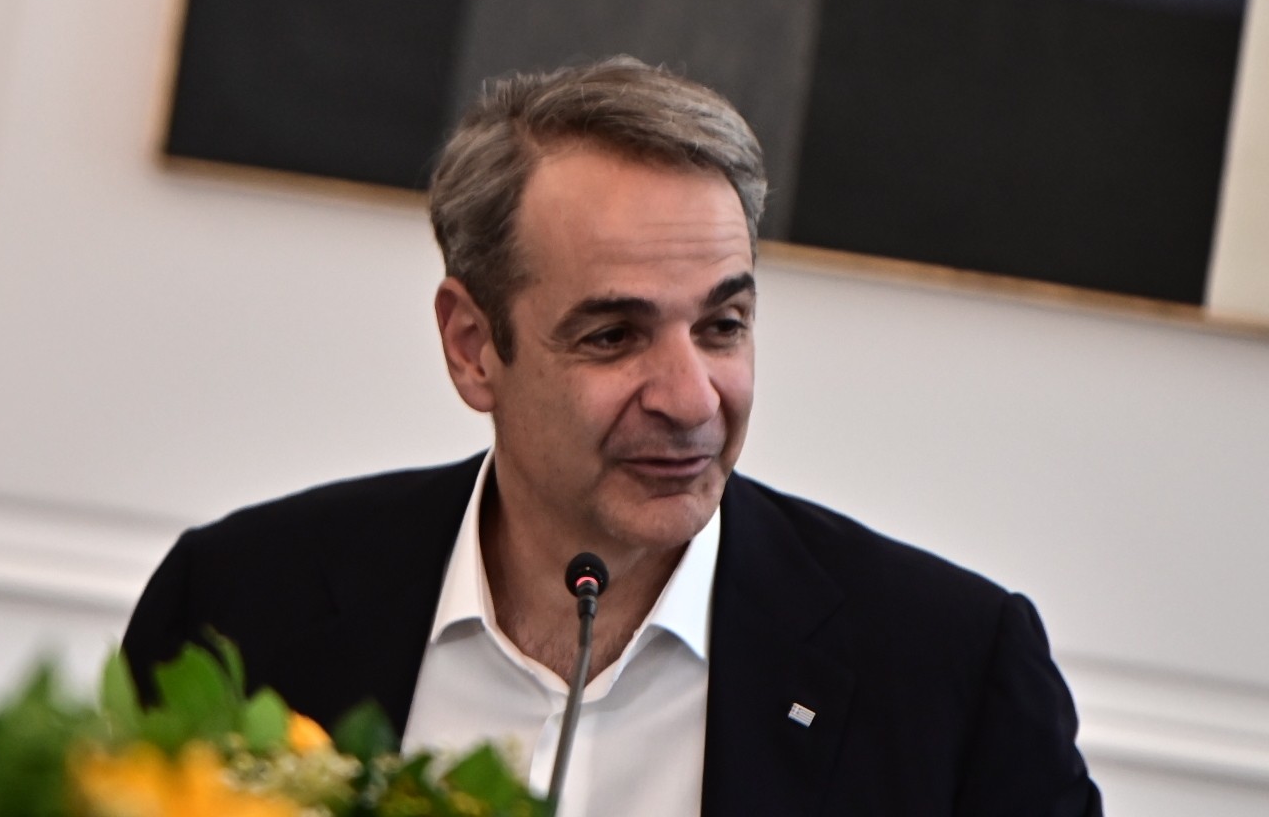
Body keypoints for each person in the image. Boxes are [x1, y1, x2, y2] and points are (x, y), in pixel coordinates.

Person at [123, 56, 1102, 816]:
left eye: (723, 325)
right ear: (473, 347)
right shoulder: (241, 604)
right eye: (613, 336)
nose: (690, 398)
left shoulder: (948, 670)